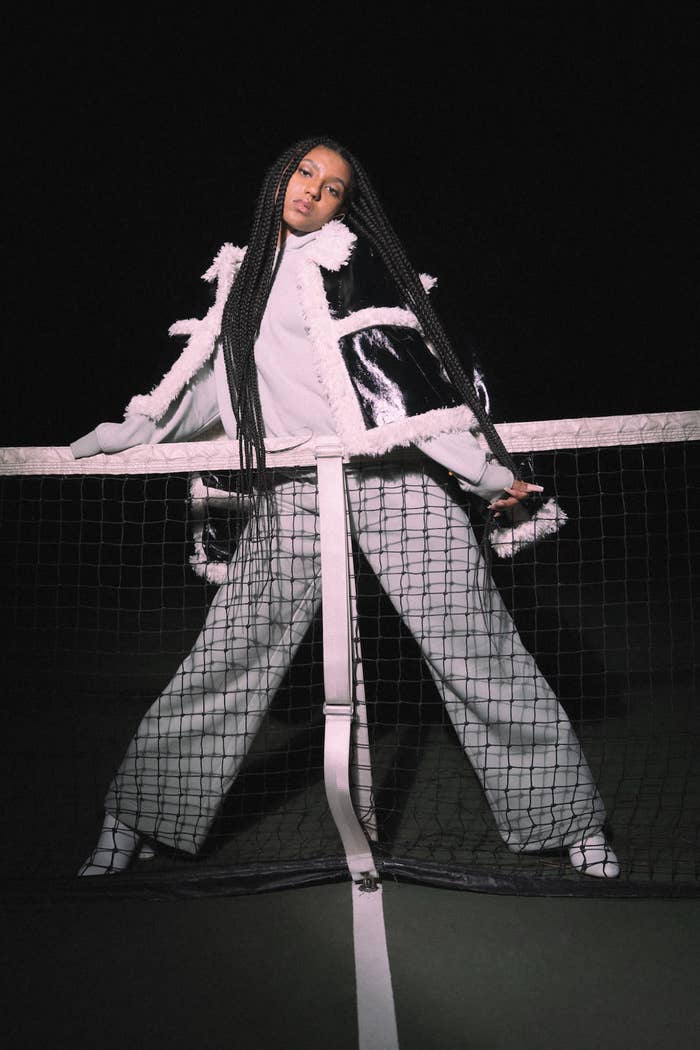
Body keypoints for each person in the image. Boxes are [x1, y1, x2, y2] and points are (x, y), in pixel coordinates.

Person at [72, 136, 619, 879]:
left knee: (480, 654)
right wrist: (137, 427)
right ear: (278, 177)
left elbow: (396, 382)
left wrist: (484, 474)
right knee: (225, 660)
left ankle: (570, 819)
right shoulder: (239, 276)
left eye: (332, 188)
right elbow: (219, 388)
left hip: (400, 485)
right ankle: (134, 816)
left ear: (343, 207)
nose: (314, 191)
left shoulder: (350, 263)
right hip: (299, 491)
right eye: (305, 173)